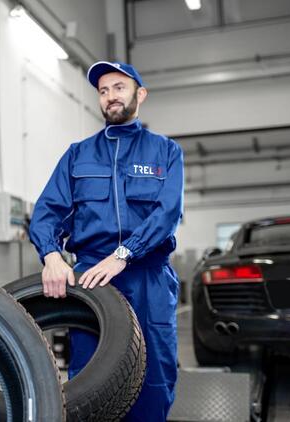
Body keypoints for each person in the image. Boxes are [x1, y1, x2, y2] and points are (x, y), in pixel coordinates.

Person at [29, 61, 184, 420]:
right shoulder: (77, 155)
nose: (110, 96)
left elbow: (167, 214)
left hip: (148, 278)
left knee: (154, 378)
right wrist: (52, 255)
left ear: (140, 94)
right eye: (103, 91)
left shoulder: (166, 152)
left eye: (119, 88)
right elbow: (47, 212)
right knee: (90, 380)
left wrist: (125, 253)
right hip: (92, 280)